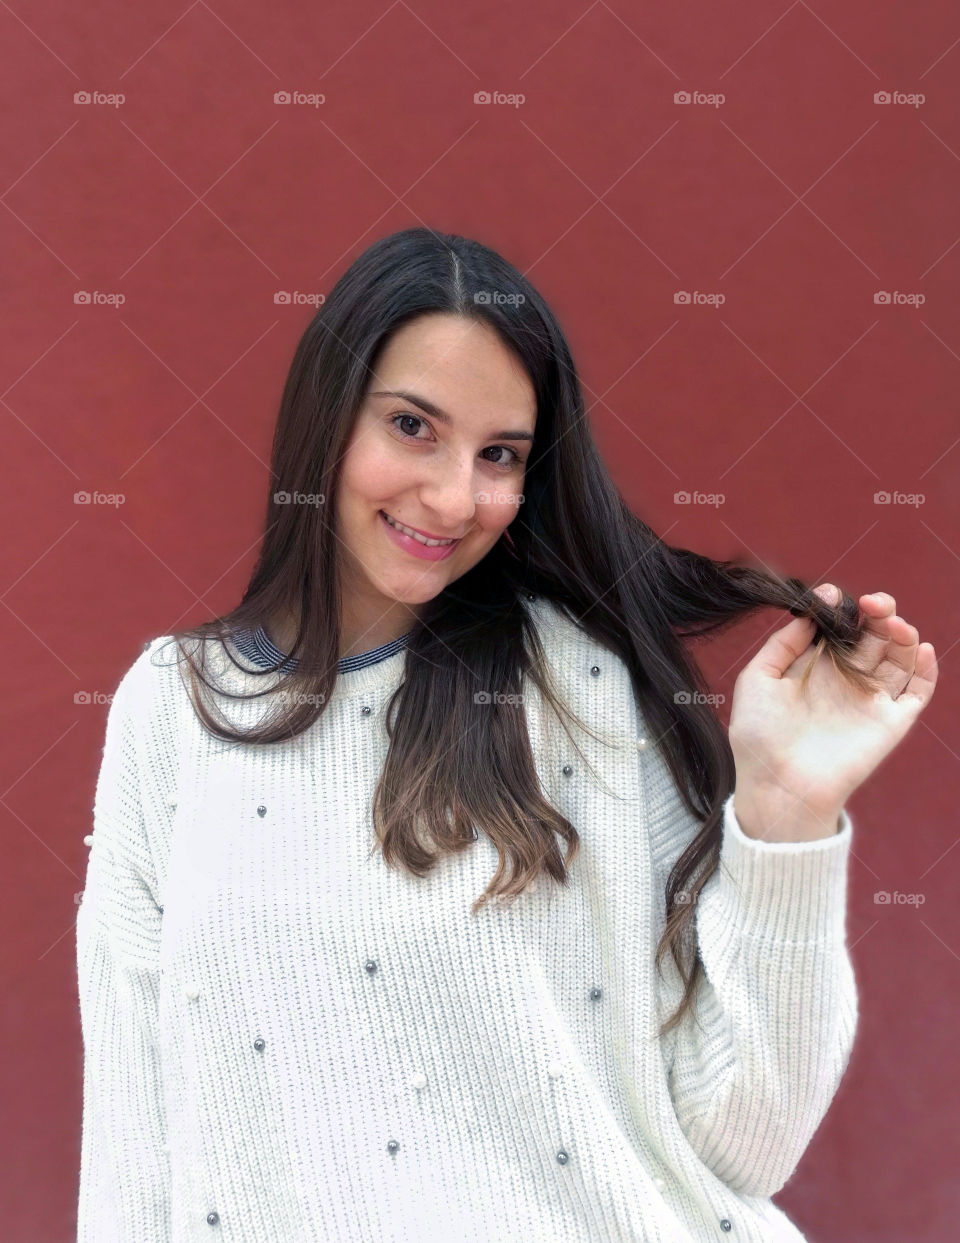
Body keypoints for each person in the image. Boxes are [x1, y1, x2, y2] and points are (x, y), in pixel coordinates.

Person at [76, 227, 937, 1243]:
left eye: (500, 456)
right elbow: (137, 1138)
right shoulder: (169, 711)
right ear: (326, 418)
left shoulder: (577, 690)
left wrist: (790, 812)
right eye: (411, 426)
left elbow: (741, 1141)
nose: (453, 497)